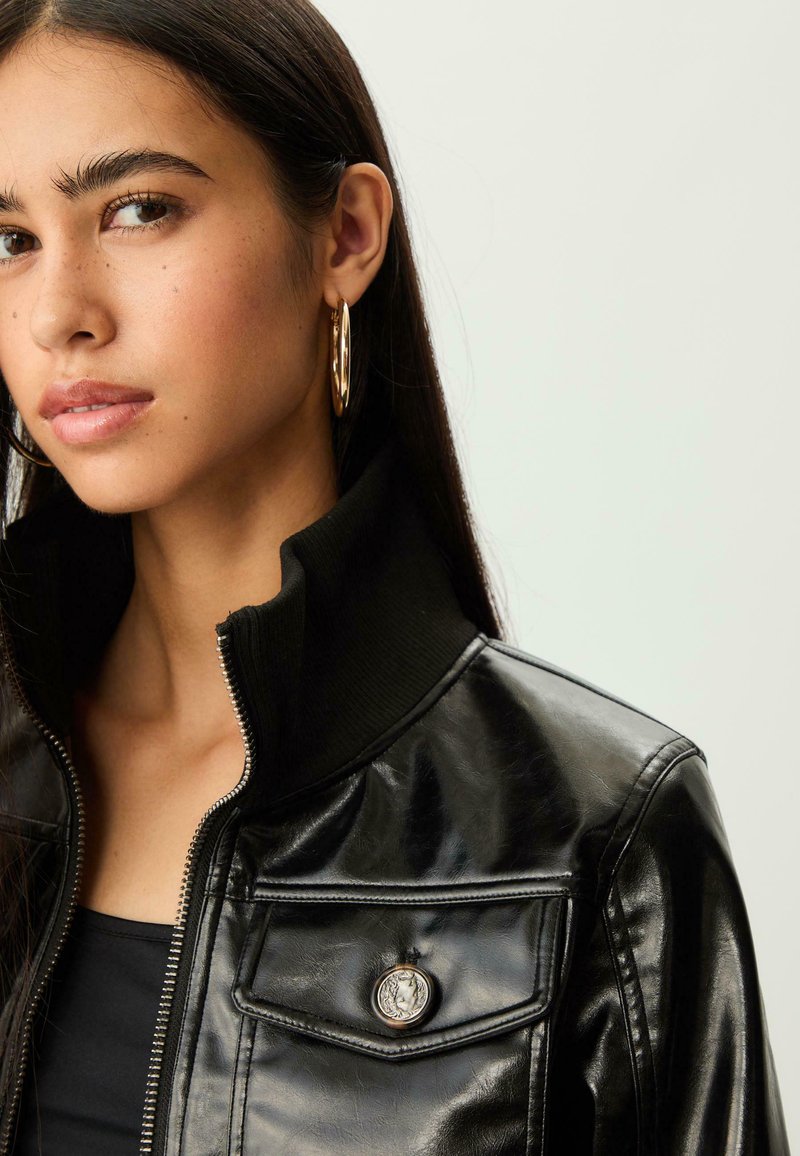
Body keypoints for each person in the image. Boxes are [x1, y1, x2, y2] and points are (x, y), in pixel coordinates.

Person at [0, 2, 789, 1153]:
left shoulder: (595, 831)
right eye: (9, 239)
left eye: (139, 209)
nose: (58, 314)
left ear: (345, 235)